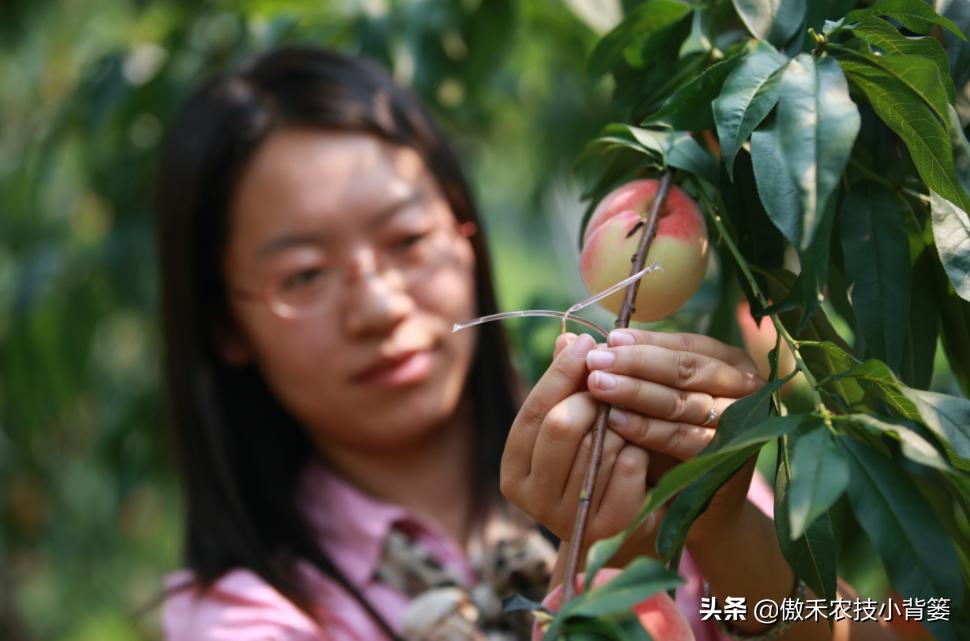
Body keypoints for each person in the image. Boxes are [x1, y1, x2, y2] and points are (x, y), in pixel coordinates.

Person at [155, 46, 895, 641]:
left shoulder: (646, 448)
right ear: (225, 323)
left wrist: (723, 525)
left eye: (410, 238)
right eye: (305, 273)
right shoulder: (245, 614)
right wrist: (609, 568)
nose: (379, 306)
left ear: (466, 237)